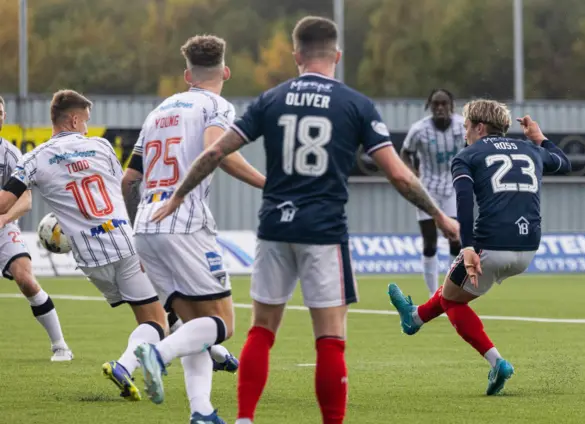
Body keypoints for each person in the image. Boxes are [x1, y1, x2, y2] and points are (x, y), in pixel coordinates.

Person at [151, 16, 459, 424]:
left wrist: (177, 196)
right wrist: (439, 215)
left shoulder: (270, 99)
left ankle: (244, 419)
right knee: (330, 338)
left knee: (262, 329)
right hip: (323, 229)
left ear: (296, 55)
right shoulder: (356, 104)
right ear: (338, 55)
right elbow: (399, 174)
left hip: (274, 226)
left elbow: (213, 154)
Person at [124, 35, 265, 424]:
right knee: (223, 323)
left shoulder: (157, 113)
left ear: (187, 74)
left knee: (195, 325)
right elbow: (215, 152)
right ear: (226, 71)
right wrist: (267, 183)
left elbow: (129, 178)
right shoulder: (216, 104)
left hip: (146, 226)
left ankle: (201, 411)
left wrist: (140, 226)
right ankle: (157, 354)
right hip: (185, 223)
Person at [388, 100, 571, 396]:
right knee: (452, 288)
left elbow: (463, 202)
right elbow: (565, 163)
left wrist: (467, 246)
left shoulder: (468, 155)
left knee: (452, 301)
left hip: (491, 245)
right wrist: (539, 138)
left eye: (466, 127)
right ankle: (415, 317)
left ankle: (496, 361)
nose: (464, 133)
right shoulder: (531, 151)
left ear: (480, 127)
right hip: (528, 248)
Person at [0, 90, 168, 401]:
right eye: (86, 121)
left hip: (90, 260)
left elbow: (4, 203)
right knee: (159, 319)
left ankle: (209, 352)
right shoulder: (101, 147)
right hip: (124, 243)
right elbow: (125, 193)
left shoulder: (32, 159)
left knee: (153, 315)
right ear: (74, 119)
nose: (88, 128)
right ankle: (127, 365)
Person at [0, 95, 72, 361]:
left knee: (26, 280)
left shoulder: (10, 154)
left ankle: (60, 346)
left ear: (4, 116)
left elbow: (26, 199)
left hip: (3, 227)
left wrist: (5, 219)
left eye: (0, 111)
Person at [400, 89, 465, 297]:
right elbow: (405, 153)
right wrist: (412, 174)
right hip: (427, 190)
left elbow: (474, 147)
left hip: (452, 189)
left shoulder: (463, 126)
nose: (439, 108)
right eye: (435, 104)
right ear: (430, 106)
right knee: (430, 243)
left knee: (456, 240)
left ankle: (451, 292)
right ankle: (432, 294)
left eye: (444, 104)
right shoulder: (419, 129)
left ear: (451, 106)